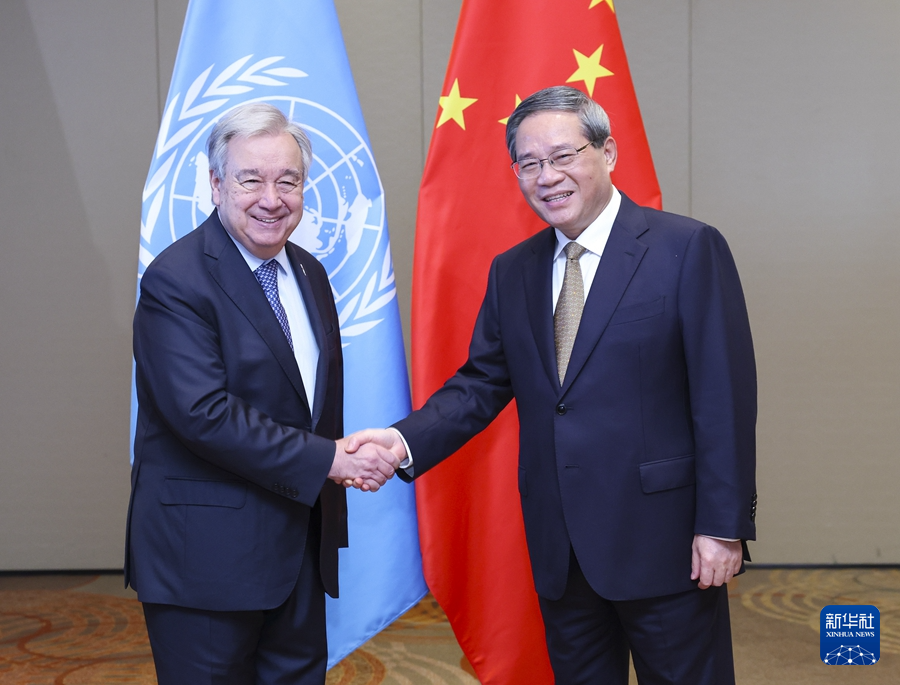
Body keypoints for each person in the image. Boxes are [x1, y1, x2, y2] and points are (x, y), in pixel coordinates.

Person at [350, 86, 757, 684]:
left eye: (564, 156)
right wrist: (402, 441)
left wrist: (723, 526)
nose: (547, 176)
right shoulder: (513, 270)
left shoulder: (686, 249)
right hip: (562, 551)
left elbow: (724, 399)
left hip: (666, 545)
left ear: (608, 152)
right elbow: (481, 384)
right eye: (529, 163)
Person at [125, 102, 400, 685]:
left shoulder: (309, 273)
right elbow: (203, 414)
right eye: (251, 180)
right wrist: (330, 460)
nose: (271, 199)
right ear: (216, 183)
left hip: (298, 551)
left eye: (288, 181)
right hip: (205, 563)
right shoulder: (177, 280)